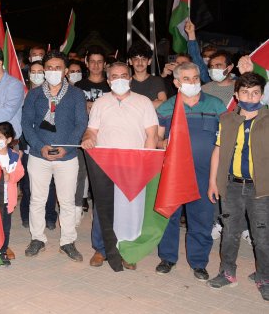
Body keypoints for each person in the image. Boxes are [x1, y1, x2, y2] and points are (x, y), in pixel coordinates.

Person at [81, 62, 158, 269]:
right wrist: (87, 138)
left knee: (131, 209)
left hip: (134, 164)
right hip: (105, 164)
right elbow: (92, 131)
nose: (120, 79)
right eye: (115, 76)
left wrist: (146, 161)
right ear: (108, 81)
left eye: (124, 75)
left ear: (130, 78)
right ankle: (101, 249)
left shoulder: (144, 102)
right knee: (103, 206)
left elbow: (151, 135)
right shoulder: (100, 103)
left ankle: (128, 251)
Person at [155, 62, 226, 281]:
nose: (193, 82)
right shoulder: (167, 107)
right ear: (176, 82)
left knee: (202, 219)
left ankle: (198, 263)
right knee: (170, 217)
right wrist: (162, 143)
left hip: (204, 174)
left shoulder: (216, 105)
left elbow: (225, 140)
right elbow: (156, 140)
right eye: (186, 79)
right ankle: (167, 258)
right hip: (174, 174)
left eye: (196, 78)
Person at [21, 51, 88, 261]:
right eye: (48, 68)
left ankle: (67, 241)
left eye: (57, 67)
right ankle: (37, 238)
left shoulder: (76, 94)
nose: (52, 72)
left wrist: (66, 149)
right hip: (38, 155)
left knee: (67, 201)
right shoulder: (34, 94)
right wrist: (40, 147)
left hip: (67, 156)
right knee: (37, 200)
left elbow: (81, 124)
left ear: (66, 71)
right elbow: (26, 124)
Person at [207, 73, 268, 301]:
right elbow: (218, 150)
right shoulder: (227, 119)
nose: (250, 97)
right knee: (230, 232)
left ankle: (264, 276)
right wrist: (213, 181)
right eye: (244, 92)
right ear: (236, 94)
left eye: (255, 93)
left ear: (262, 95)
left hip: (260, 189)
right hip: (231, 186)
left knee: (262, 235)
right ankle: (227, 272)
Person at [19, 59, 58, 231]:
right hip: (27, 146)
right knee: (28, 185)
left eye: (40, 72)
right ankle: (26, 215)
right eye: (32, 72)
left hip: (47, 144)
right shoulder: (22, 94)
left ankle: (50, 216)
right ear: (28, 75)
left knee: (49, 184)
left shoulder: (53, 95)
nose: (36, 75)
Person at [0, 122, 24, 266]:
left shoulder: (15, 156)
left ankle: (2, 251)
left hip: (6, 200)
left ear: (9, 140)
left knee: (5, 228)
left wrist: (9, 176)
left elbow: (20, 172)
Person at [127, 42, 167, 108]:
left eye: (143, 59)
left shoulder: (157, 81)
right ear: (130, 61)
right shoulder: (126, 82)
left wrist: (135, 105)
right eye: (136, 59)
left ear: (149, 61)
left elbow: (164, 104)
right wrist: (153, 103)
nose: (140, 62)